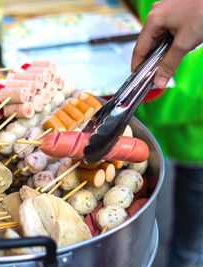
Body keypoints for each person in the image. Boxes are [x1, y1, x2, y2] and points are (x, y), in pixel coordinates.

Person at [130, 0, 203, 266]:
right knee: (141, 183)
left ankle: (186, 258)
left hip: (198, 117)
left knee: (195, 193)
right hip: (148, 99)